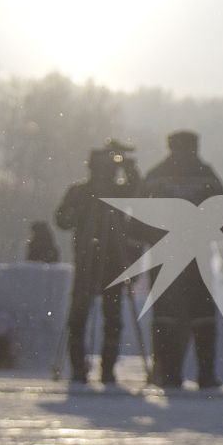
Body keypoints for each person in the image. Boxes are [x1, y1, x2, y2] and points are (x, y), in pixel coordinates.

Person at [138, 130, 223, 389]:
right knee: (202, 316)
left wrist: (142, 245)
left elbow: (138, 216)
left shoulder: (156, 175)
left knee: (165, 316)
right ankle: (205, 374)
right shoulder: (207, 175)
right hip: (198, 255)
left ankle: (166, 373)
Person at [54, 143, 139, 385]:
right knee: (80, 317)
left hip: (112, 262)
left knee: (111, 319)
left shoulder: (116, 193)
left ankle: (106, 370)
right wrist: (81, 210)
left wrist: (129, 167)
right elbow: (62, 219)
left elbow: (138, 190)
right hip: (88, 260)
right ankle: (79, 369)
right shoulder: (81, 193)